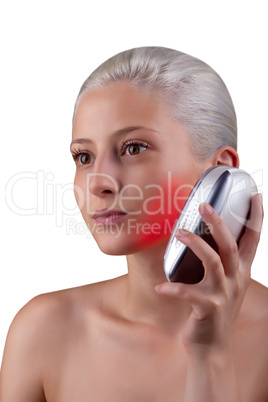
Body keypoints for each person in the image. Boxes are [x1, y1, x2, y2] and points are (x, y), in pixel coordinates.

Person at [0, 47, 267, 402]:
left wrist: (210, 354)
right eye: (84, 157)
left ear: (220, 169)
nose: (98, 183)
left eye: (133, 148)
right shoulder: (42, 331)